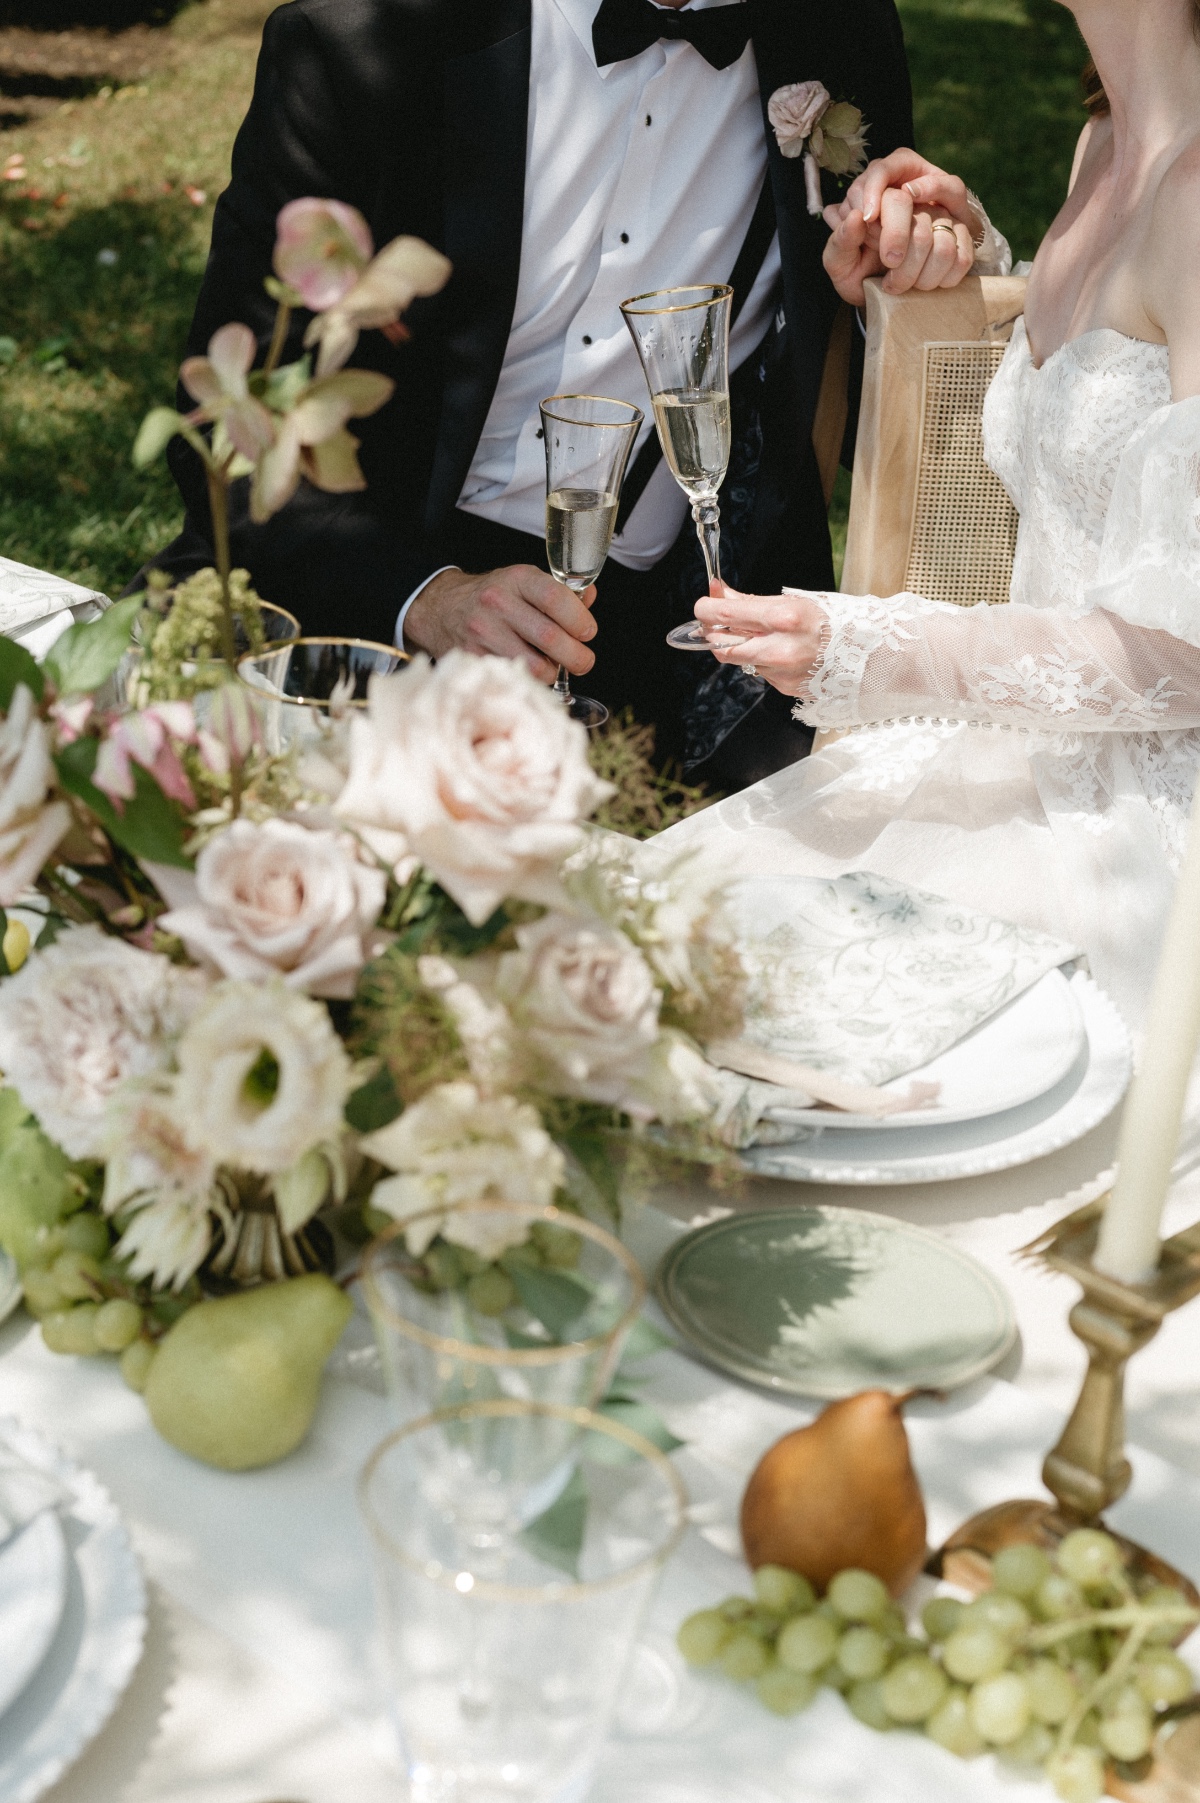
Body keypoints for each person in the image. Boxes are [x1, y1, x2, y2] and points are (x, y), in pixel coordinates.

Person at [150, 0, 990, 787]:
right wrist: (429, 599)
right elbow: (237, 429)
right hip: (361, 590)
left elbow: (876, 411)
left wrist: (922, 280)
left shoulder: (837, 30)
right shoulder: (363, 40)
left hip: (675, 643)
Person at [654, 0, 1200, 1026]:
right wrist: (963, 269)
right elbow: (1104, 420)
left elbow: (1191, 648)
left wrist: (872, 650)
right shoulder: (1104, 146)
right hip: (1015, 747)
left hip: (1143, 835)